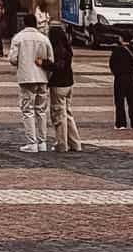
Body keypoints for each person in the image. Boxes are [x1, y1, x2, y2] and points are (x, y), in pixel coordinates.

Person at [8, 13, 53, 152]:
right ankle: (42, 142)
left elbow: (13, 59)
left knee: (28, 110)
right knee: (41, 110)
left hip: (27, 77)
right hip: (42, 77)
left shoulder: (19, 38)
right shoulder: (44, 38)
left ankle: (32, 142)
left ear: (24, 23)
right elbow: (50, 59)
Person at [47, 22, 82, 153]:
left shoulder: (57, 49)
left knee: (58, 114)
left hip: (59, 84)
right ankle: (75, 142)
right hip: (69, 83)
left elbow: (58, 67)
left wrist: (45, 63)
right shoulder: (68, 48)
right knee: (67, 113)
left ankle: (61, 144)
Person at [109, 36, 133, 131]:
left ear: (121, 39)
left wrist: (116, 72)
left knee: (119, 101)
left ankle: (121, 123)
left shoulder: (117, 50)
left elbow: (112, 64)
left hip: (120, 77)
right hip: (131, 77)